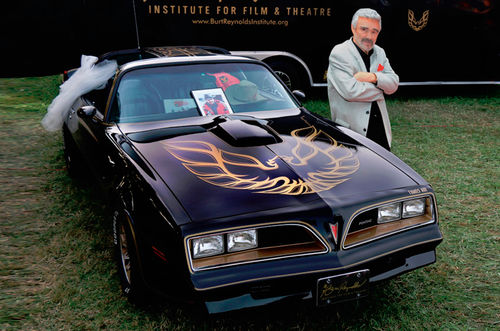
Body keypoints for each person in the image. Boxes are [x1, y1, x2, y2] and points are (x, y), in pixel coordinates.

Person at [327, 8, 399, 150]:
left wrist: (372, 77)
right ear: (353, 29)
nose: (369, 36)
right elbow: (351, 92)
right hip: (351, 133)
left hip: (380, 133)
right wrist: (381, 88)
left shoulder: (380, 53)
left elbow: (394, 83)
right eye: (364, 29)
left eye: (374, 31)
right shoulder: (339, 53)